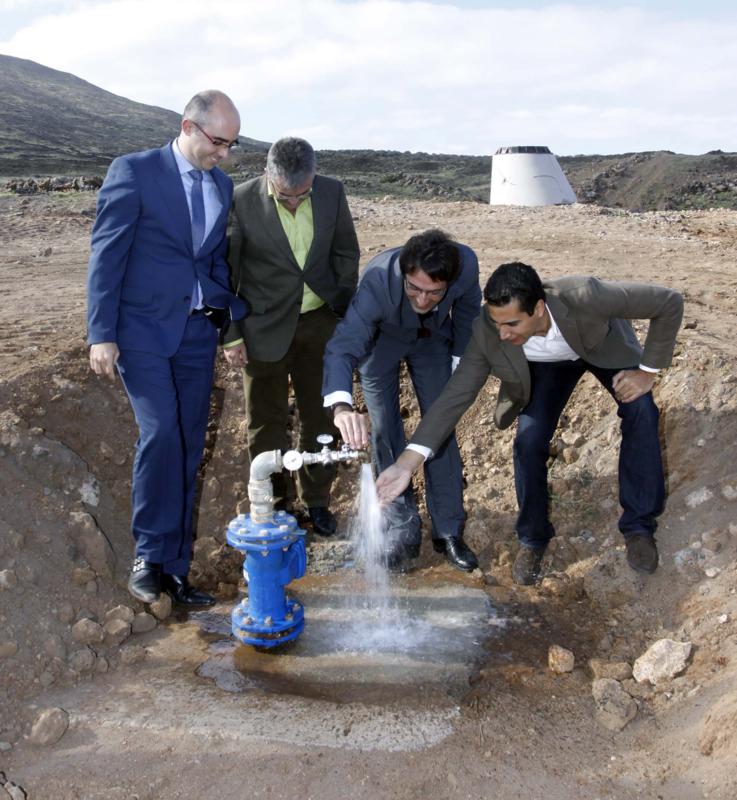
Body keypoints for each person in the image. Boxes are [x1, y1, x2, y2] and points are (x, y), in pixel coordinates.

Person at [376, 262, 683, 584]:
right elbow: (456, 395)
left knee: (642, 411)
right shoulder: (489, 329)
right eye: (498, 324)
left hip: (601, 351)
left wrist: (647, 372)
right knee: (529, 442)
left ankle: (639, 528)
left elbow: (669, 302)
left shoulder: (586, 295)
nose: (503, 334)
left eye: (512, 324)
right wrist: (406, 464)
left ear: (538, 308)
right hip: (546, 366)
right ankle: (533, 539)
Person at [87, 90, 246, 606]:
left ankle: (176, 569)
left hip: (196, 335)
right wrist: (101, 333)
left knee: (189, 445)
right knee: (160, 436)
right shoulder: (134, 172)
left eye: (231, 144)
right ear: (187, 127)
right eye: (217, 142)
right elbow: (107, 255)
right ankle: (147, 556)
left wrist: (226, 318)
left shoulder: (221, 184)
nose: (223, 154)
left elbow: (213, 258)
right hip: (142, 333)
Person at [223, 137, 360, 536]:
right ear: (269, 175)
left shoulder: (332, 192)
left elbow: (345, 252)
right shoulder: (241, 200)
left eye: (303, 195)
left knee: (321, 419)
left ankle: (316, 501)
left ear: (314, 177)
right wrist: (231, 334)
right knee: (266, 423)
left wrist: (341, 300)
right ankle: (278, 504)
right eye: (285, 197)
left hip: (320, 324)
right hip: (261, 329)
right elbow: (225, 273)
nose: (295, 202)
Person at [323, 229, 482, 571]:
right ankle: (400, 529)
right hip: (382, 342)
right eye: (414, 289)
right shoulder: (377, 283)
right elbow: (343, 345)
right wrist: (341, 406)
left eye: (435, 293)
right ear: (403, 274)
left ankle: (448, 531)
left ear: (449, 282)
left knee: (439, 426)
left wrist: (459, 362)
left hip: (432, 338)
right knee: (384, 428)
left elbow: (469, 313)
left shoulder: (466, 264)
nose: (423, 301)